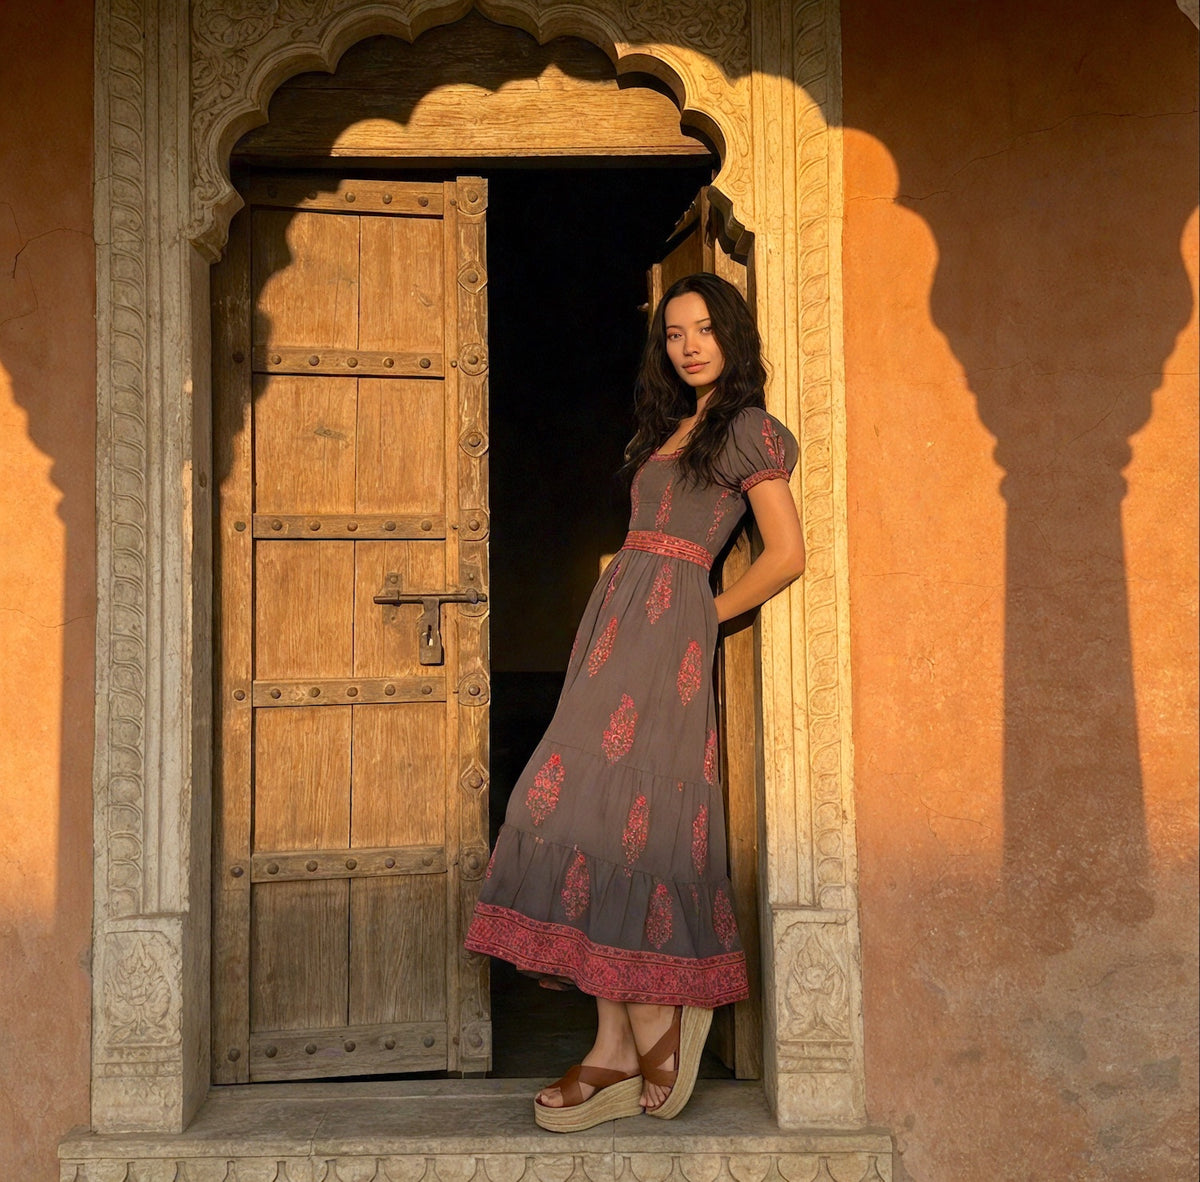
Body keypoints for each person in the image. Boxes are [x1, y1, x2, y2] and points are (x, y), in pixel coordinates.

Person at [464, 272, 805, 1131]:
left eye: (702, 330)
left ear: (732, 335)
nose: (687, 345)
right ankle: (617, 1033)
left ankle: (649, 1018)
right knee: (563, 808)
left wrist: (699, 616)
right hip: (612, 636)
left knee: (640, 820)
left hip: (668, 645)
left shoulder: (745, 431)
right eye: (674, 333)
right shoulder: (670, 430)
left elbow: (786, 554)